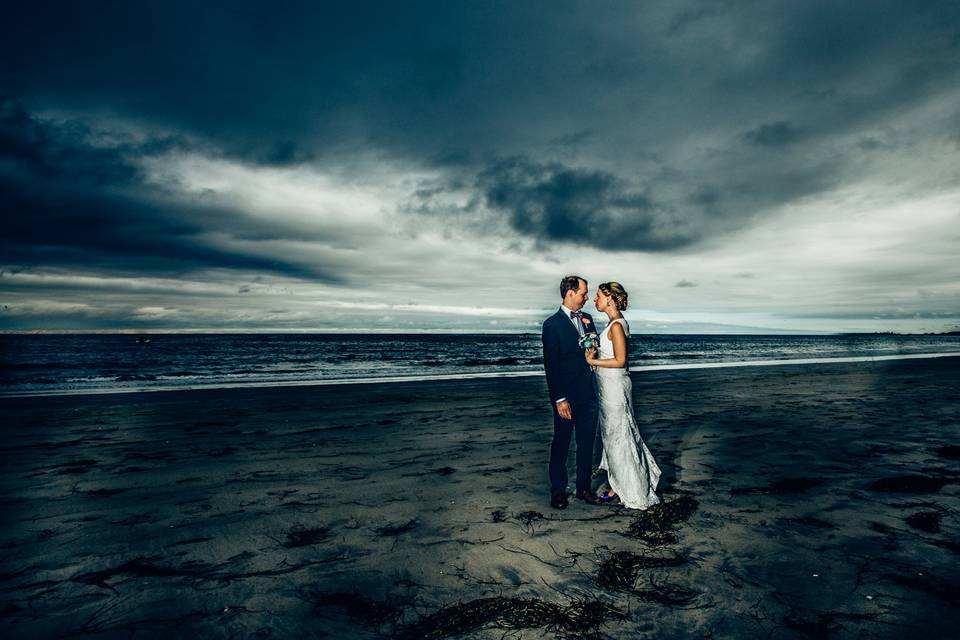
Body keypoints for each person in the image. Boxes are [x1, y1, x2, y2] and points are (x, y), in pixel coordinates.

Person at [584, 282, 661, 509]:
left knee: (619, 435)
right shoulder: (613, 324)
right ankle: (617, 485)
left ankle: (631, 490)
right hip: (609, 386)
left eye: (597, 296)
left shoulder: (617, 325)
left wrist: (593, 361)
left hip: (615, 388)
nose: (594, 300)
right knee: (613, 435)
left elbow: (620, 360)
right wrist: (595, 352)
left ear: (609, 299)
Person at [542, 275, 601, 509]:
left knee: (587, 443)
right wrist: (559, 398)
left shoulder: (587, 320)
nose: (586, 297)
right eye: (584, 293)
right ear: (570, 293)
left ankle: (584, 488)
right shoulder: (552, 324)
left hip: (589, 393)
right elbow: (551, 365)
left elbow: (592, 351)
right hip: (566, 397)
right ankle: (558, 490)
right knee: (562, 442)